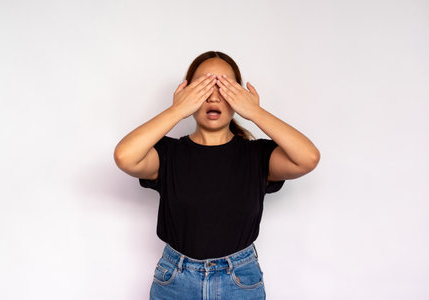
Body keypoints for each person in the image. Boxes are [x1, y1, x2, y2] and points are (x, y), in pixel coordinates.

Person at [114, 50, 320, 300]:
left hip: (239, 281)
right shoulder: (168, 154)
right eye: (203, 86)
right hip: (175, 280)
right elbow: (124, 156)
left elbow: (308, 158)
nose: (213, 96)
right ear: (187, 93)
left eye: (224, 87)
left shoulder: (257, 156)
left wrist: (255, 112)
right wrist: (177, 110)